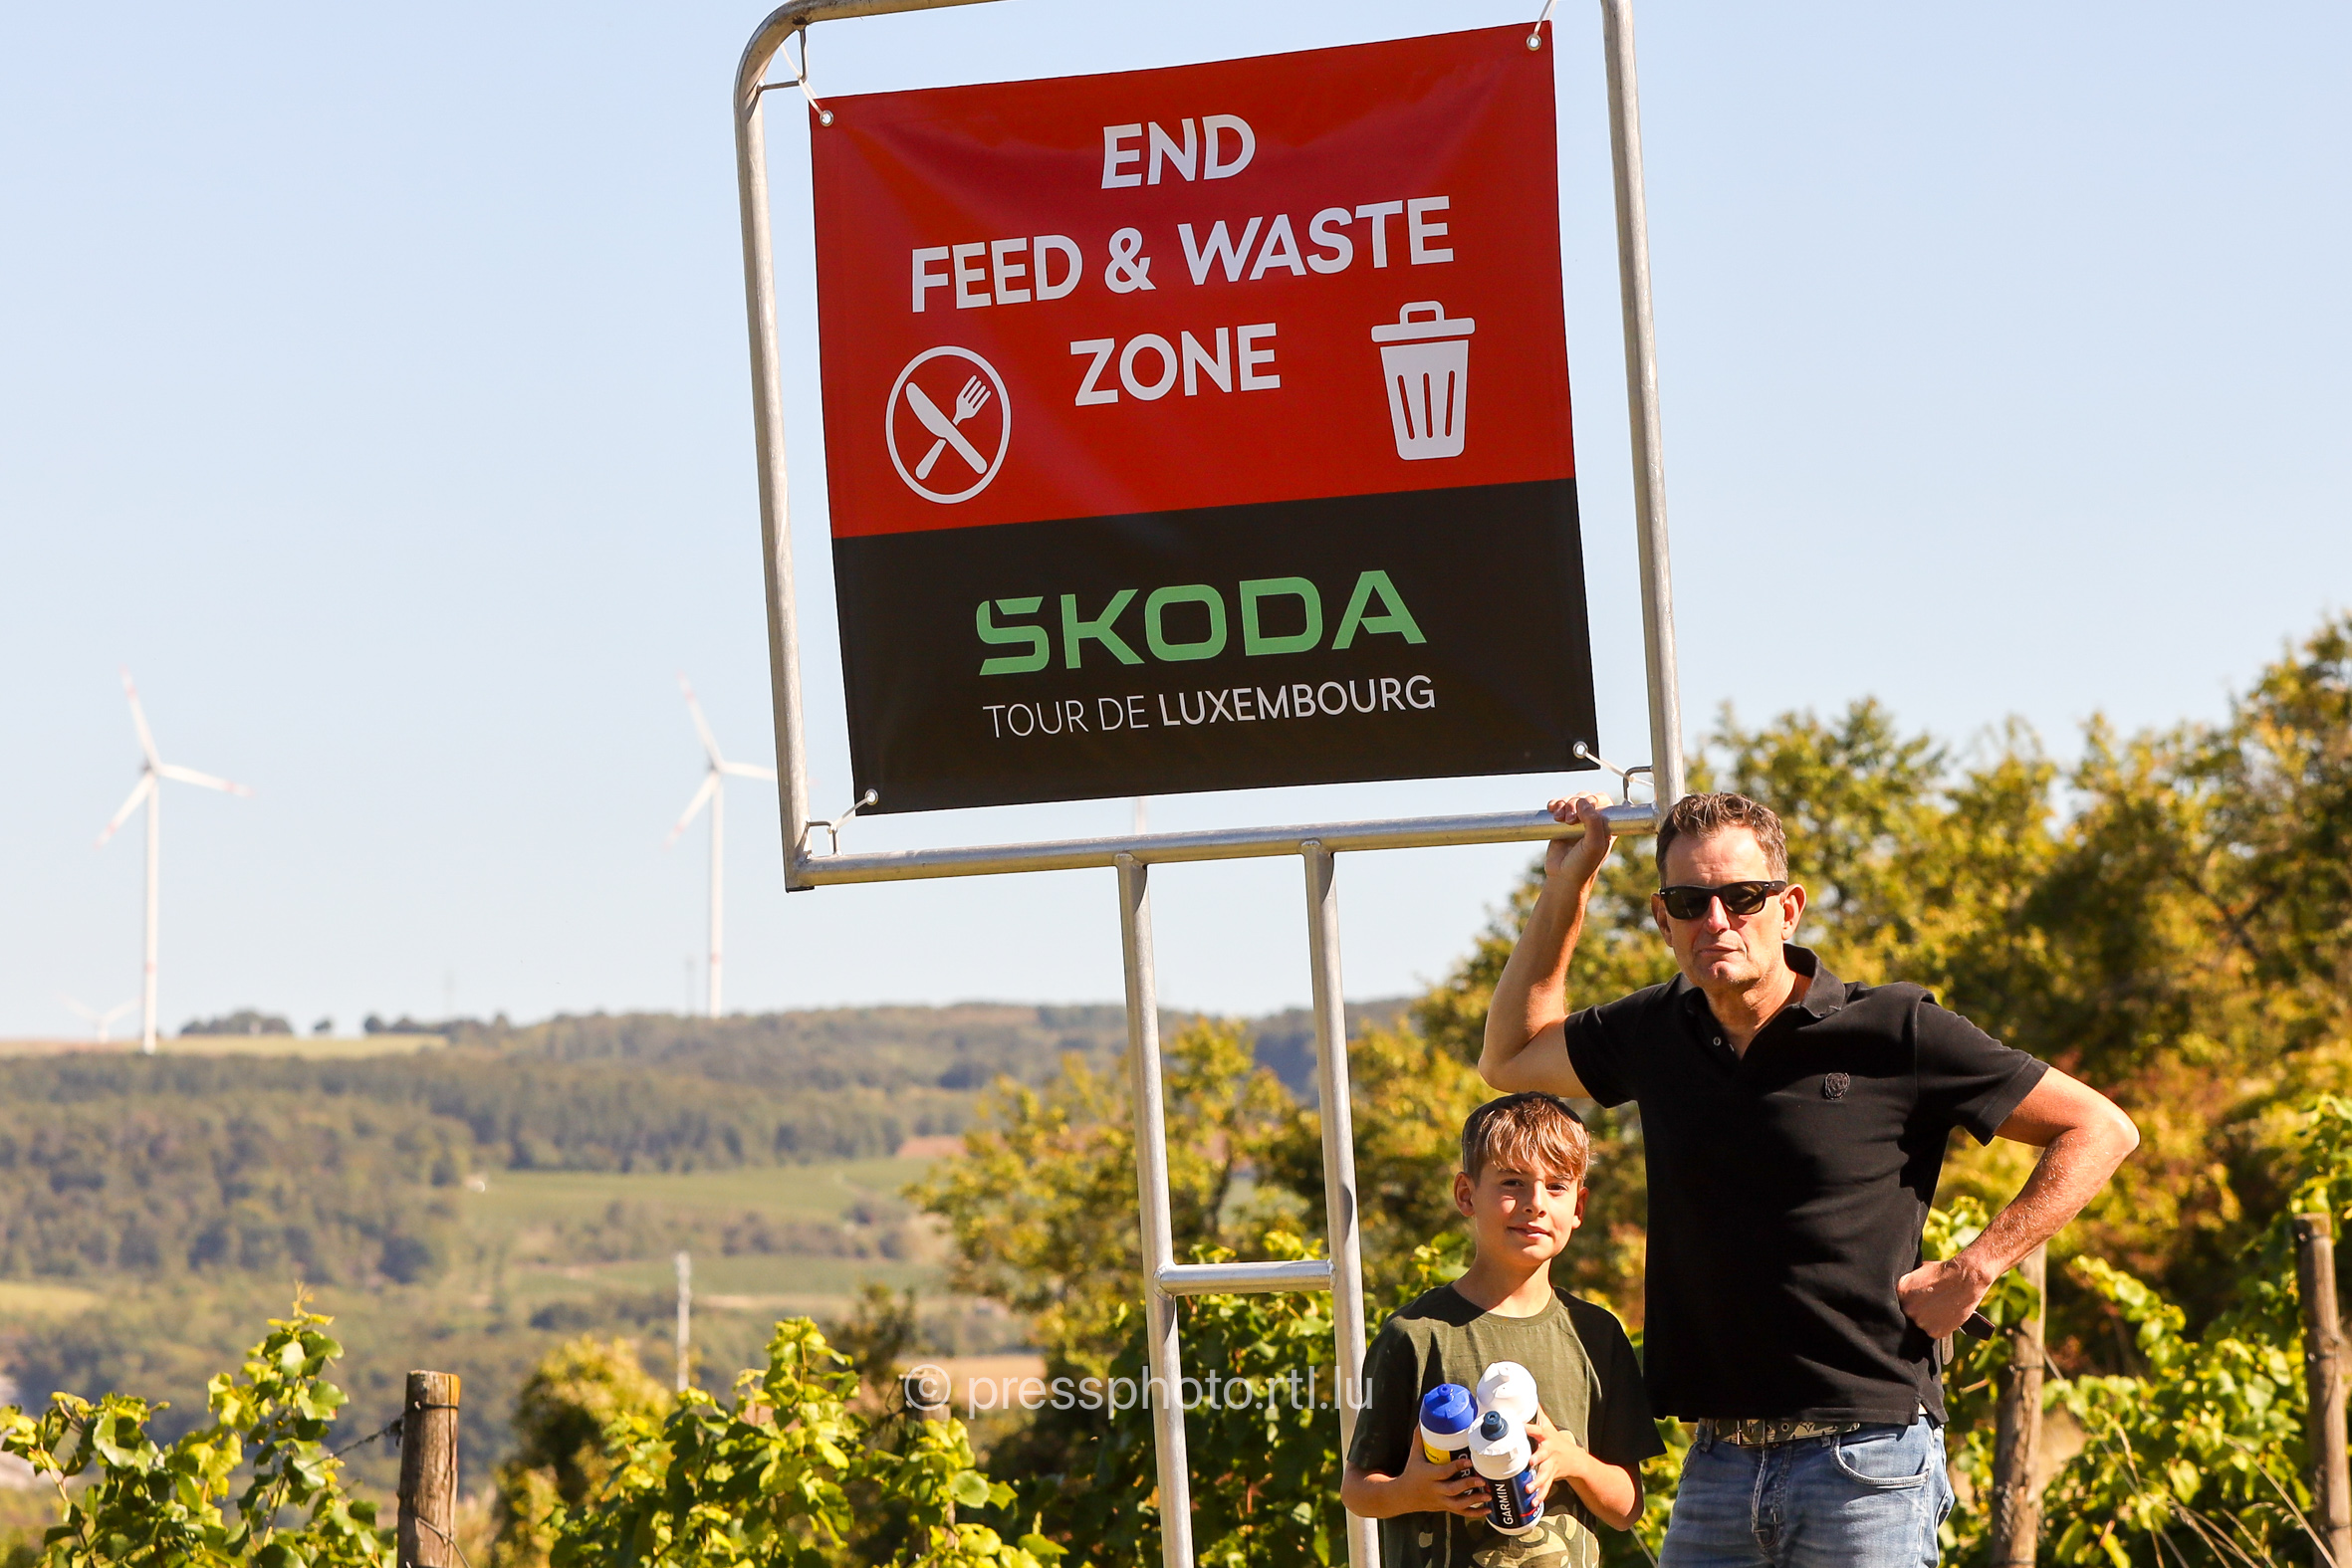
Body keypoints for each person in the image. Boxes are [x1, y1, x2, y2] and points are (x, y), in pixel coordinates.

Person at [1479, 790, 2140, 1567]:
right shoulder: (1655, 1031)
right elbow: (1510, 1056)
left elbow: (2102, 1128)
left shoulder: (1896, 1028)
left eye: (1742, 896)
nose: (1716, 920)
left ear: (1787, 906)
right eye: (1690, 901)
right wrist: (1570, 885)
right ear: (1663, 919)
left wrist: (1977, 1265)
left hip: (1868, 1464)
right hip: (1717, 1463)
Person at [1342, 1091, 1665, 1567]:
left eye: (1557, 1186)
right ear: (1466, 1195)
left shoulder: (1597, 1336)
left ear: (1579, 1206)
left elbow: (1626, 1507)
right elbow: (1357, 1491)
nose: (1535, 1204)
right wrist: (1415, 1491)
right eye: (1513, 1182)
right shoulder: (1414, 1335)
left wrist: (1571, 1460)